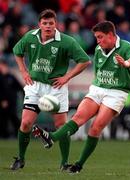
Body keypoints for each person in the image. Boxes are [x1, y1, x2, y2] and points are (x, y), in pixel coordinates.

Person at [32, 21, 130, 173]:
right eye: (96, 37)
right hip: (98, 88)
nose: (98, 41)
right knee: (78, 117)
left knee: (95, 128)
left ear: (111, 35)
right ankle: (51, 138)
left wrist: (127, 63)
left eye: (100, 37)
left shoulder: (127, 47)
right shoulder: (98, 49)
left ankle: (78, 164)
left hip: (117, 92)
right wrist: (97, 87)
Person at [10, 9, 90, 170]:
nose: (48, 26)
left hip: (56, 88)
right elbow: (17, 52)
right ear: (39, 24)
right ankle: (21, 158)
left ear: (56, 24)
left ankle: (64, 163)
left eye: (51, 23)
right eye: (45, 23)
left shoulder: (67, 41)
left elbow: (85, 61)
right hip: (35, 86)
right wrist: (24, 71)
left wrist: (67, 76)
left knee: (61, 125)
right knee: (25, 123)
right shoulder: (30, 37)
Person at [0, 60, 23, 138]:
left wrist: (25, 97)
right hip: (2, 103)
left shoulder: (11, 77)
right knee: (3, 119)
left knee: (14, 117)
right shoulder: (0, 77)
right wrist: (2, 100)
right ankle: (4, 135)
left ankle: (20, 134)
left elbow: (20, 87)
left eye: (2, 66)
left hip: (12, 102)